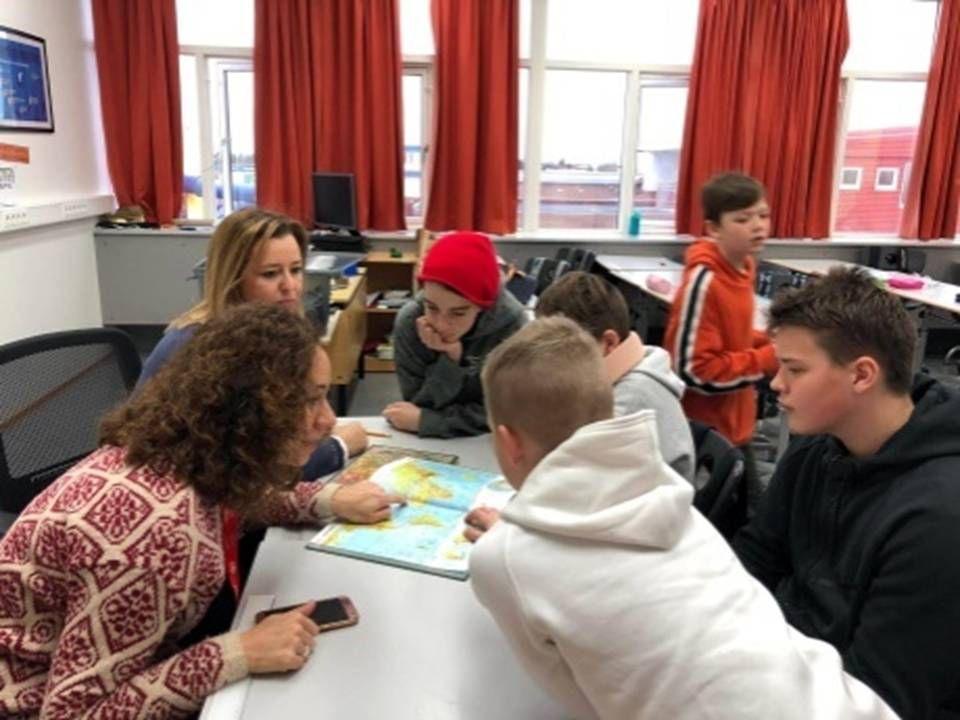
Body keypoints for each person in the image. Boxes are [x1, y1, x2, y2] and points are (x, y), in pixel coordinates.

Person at [469, 316, 897, 720]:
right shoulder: (663, 492)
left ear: (508, 443)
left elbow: (587, 703)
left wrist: (511, 544)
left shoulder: (502, 559)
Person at [0, 304, 401, 717]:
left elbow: (233, 502)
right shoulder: (158, 535)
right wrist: (236, 653)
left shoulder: (181, 455)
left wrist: (325, 499)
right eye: (310, 400)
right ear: (248, 411)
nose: (328, 419)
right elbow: (72, 715)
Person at [733, 267, 960, 719]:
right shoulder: (815, 448)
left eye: (795, 369)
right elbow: (753, 562)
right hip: (788, 672)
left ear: (861, 375)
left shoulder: (939, 519)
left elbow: (880, 698)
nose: (776, 383)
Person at [463, 270, 695, 542]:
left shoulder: (628, 402)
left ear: (608, 343)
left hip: (639, 534)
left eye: (564, 351)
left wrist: (508, 536)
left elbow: (571, 493)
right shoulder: (621, 372)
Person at [139, 206, 367, 480]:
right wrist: (337, 448)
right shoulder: (198, 348)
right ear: (233, 279)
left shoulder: (274, 337)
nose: (290, 287)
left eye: (296, 270)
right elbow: (237, 473)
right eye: (270, 274)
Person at [663, 172, 778, 502]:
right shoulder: (705, 282)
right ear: (714, 228)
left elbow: (729, 335)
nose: (757, 226)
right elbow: (694, 371)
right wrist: (765, 359)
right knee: (735, 520)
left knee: (752, 516)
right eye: (742, 219)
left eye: (763, 215)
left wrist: (763, 340)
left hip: (737, 425)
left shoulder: (743, 268)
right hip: (706, 434)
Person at [384, 230, 526, 437]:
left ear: (482, 307)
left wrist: (431, 421)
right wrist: (451, 359)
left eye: (458, 313)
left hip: (489, 443)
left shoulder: (514, 326)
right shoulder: (410, 321)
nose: (441, 325)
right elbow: (419, 403)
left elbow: (507, 413)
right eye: (431, 307)